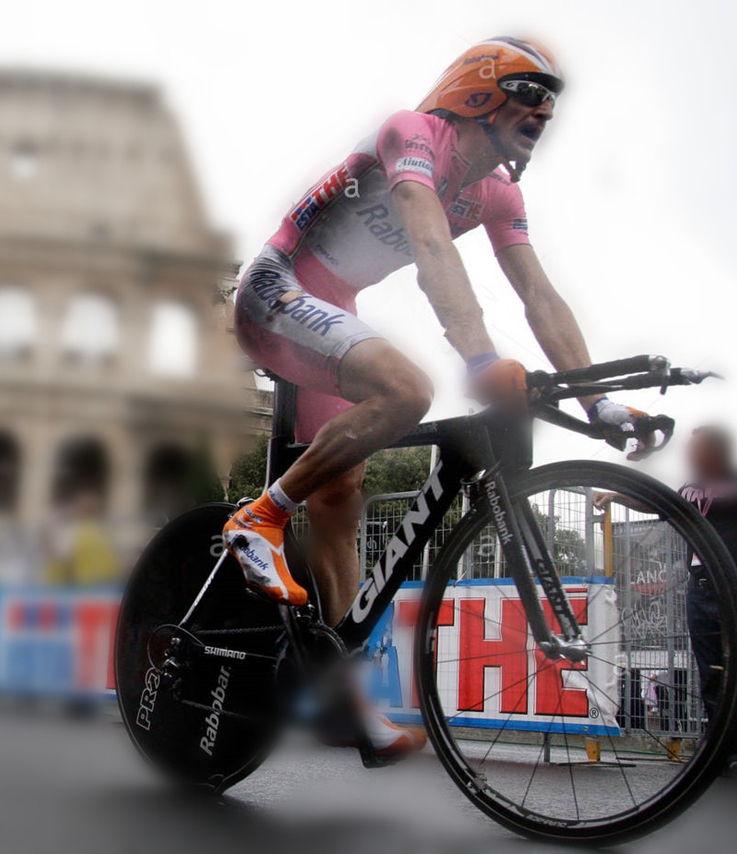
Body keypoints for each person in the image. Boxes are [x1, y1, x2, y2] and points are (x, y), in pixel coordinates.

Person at [223, 36, 657, 761]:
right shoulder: (411, 134)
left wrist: (596, 404)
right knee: (407, 389)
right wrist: (480, 357)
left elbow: (539, 295)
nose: (546, 109)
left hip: (330, 306)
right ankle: (258, 520)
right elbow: (431, 250)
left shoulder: (499, 193)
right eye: (532, 89)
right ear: (481, 88)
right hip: (276, 288)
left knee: (339, 496)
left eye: (554, 101)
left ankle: (343, 698)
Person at [598, 426, 737, 775]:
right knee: (709, 671)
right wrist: (616, 494)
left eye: (697, 446)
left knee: (736, 669)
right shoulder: (689, 488)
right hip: (701, 584)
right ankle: (717, 747)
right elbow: (656, 503)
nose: (690, 452)